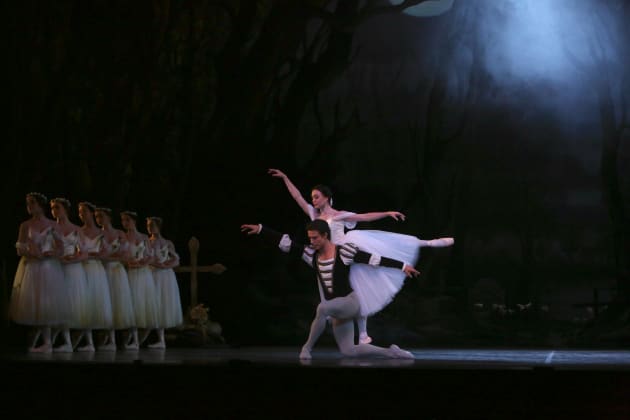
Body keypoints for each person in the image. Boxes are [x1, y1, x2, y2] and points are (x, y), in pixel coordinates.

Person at [268, 168, 454, 344]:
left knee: (384, 250)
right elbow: (297, 197)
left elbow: (365, 217)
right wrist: (285, 178)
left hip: (345, 252)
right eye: (312, 198)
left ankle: (428, 243)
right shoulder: (313, 214)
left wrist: (386, 213)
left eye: (317, 197)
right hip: (329, 258)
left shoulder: (339, 216)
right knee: (353, 290)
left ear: (326, 198)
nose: (314, 200)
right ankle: (361, 333)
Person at [241, 219, 418, 360]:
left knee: (322, 308)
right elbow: (287, 243)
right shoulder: (311, 254)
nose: (312, 242)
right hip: (336, 310)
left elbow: (373, 259)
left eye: (315, 238)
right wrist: (261, 229)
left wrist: (402, 266)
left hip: (350, 302)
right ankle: (391, 352)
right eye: (310, 238)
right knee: (349, 351)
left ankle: (307, 347)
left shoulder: (344, 252)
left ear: (325, 236)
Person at [10, 192, 68, 353]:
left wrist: (53, 253)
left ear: (40, 205)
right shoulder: (26, 225)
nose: (29, 206)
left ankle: (47, 342)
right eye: (28, 204)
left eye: (32, 203)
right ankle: (42, 342)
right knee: (35, 303)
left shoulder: (52, 225)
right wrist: (31, 253)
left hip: (48, 267)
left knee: (46, 302)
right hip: (32, 266)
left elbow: (61, 247)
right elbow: (20, 248)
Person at [50, 197, 89, 352]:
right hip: (56, 267)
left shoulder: (76, 229)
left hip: (72, 269)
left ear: (65, 209)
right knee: (57, 305)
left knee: (70, 305)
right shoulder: (51, 228)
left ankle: (68, 342)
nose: (54, 211)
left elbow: (84, 253)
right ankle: (55, 341)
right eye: (52, 208)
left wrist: (72, 259)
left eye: (57, 208)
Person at [95, 207, 136, 350]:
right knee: (107, 305)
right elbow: (98, 255)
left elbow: (126, 255)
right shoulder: (98, 233)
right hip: (103, 270)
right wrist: (110, 256)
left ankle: (130, 339)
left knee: (119, 303)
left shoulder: (120, 233)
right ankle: (110, 340)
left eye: (101, 216)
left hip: (117, 271)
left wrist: (109, 256)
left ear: (109, 217)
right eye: (97, 217)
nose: (99, 219)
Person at [76, 201, 114, 352]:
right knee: (85, 305)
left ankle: (105, 340)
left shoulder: (101, 233)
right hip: (82, 268)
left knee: (96, 303)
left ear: (91, 213)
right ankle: (89, 342)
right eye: (80, 212)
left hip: (96, 270)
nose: (82, 215)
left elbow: (106, 252)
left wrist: (92, 254)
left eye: (84, 211)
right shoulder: (79, 231)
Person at [121, 210, 159, 349]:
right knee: (132, 306)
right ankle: (134, 339)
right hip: (131, 272)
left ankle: (137, 341)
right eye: (123, 220)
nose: (125, 223)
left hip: (143, 274)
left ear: (134, 221)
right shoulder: (124, 237)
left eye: (127, 220)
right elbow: (122, 255)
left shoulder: (144, 237)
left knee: (141, 305)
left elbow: (150, 255)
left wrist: (142, 263)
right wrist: (129, 262)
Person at [146, 216, 183, 349]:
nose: (150, 228)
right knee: (153, 304)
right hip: (152, 274)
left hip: (164, 276)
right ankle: (150, 338)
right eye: (148, 225)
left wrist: (165, 265)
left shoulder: (167, 243)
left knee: (162, 303)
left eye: (152, 225)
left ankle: (161, 340)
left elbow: (176, 259)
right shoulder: (147, 242)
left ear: (158, 226)